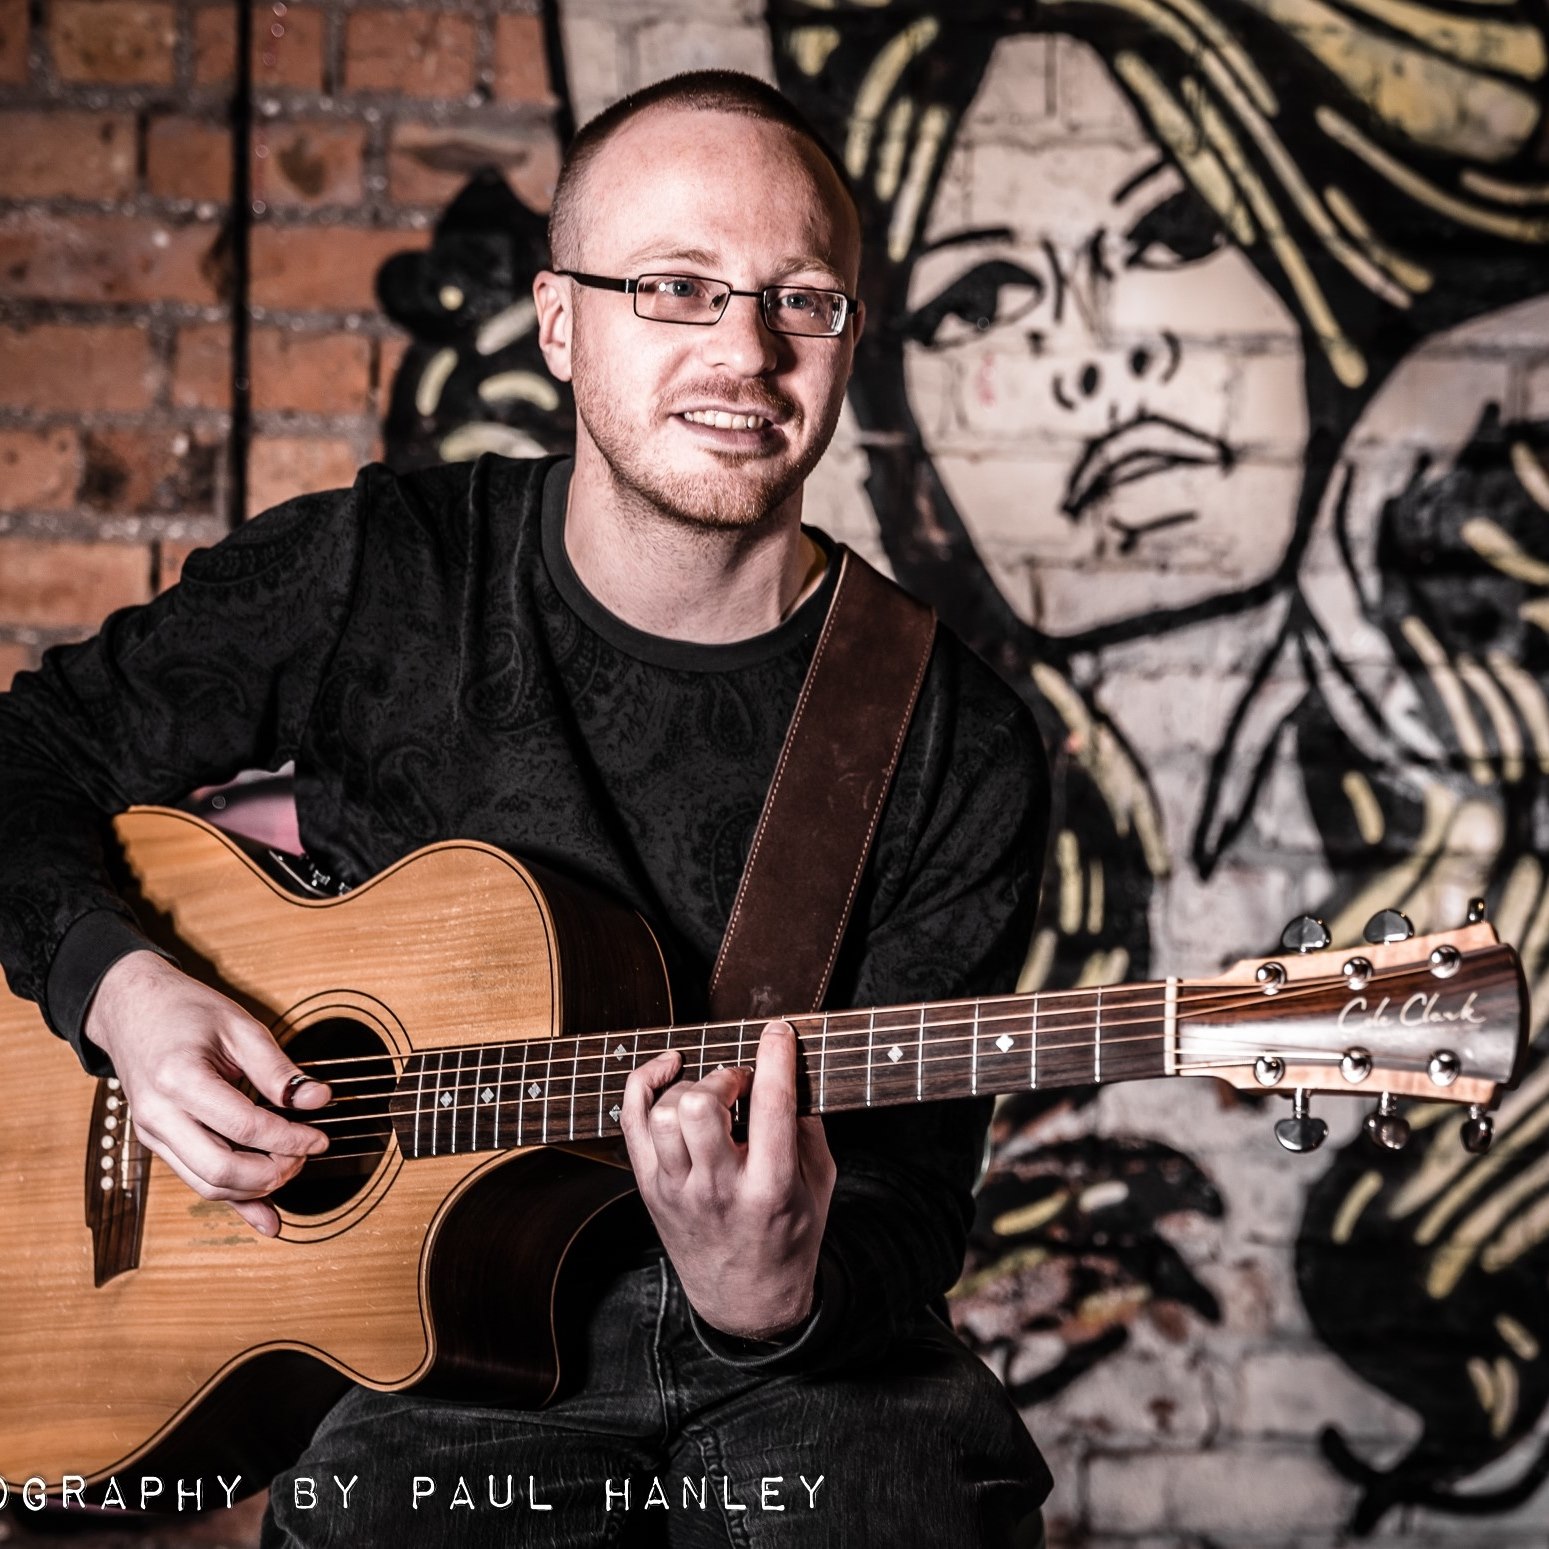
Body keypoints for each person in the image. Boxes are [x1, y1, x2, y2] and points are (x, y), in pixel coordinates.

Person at [0, 71, 1053, 1546]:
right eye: (678, 287)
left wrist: (769, 1295)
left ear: (846, 338)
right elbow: (23, 754)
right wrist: (121, 992)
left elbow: (911, 1206)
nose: (743, 351)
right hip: (437, 1358)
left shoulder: (957, 736)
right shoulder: (384, 572)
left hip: (798, 1366)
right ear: (561, 321)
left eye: (798, 298)